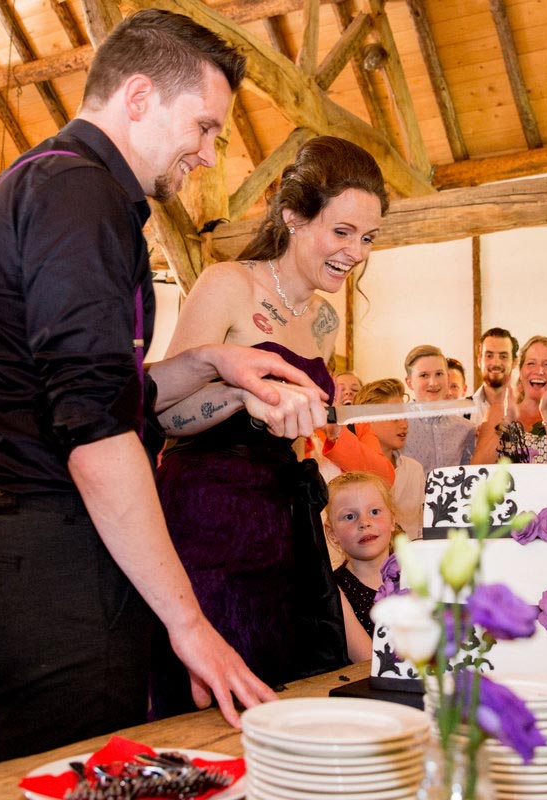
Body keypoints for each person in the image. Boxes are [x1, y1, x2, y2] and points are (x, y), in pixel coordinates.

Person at [0, 10, 321, 766]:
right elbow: (93, 434)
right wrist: (190, 623)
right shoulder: (81, 197)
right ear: (139, 96)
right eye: (205, 127)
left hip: (10, 552)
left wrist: (212, 361)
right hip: (49, 567)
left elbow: (83, 389)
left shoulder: (39, 181)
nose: (209, 155)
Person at [150, 134, 388, 716]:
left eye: (368, 238)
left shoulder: (327, 319)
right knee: (220, 694)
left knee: (294, 688)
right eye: (342, 232)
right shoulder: (228, 285)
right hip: (211, 516)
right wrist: (240, 393)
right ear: (292, 217)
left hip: (288, 519)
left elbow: (295, 423)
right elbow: (162, 412)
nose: (355, 252)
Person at [473, 336, 547, 466]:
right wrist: (506, 422)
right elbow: (477, 469)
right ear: (521, 371)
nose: (539, 371)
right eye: (531, 363)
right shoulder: (498, 411)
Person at [325, 472, 398, 663]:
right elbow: (369, 664)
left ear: (392, 520)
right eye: (350, 516)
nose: (364, 523)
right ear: (332, 533)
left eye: (374, 512)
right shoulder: (335, 591)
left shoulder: (418, 574)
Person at [350, 379, 425, 539]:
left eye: (405, 417)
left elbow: (420, 529)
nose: (404, 424)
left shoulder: (414, 469)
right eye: (395, 417)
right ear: (366, 421)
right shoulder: (346, 471)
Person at [402, 345, 475, 471]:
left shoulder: (466, 429)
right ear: (409, 382)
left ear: (447, 377)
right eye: (424, 375)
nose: (433, 383)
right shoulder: (398, 426)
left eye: (439, 374)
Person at [471, 327, 518, 421]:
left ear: (514, 362)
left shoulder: (525, 408)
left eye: (503, 356)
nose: (496, 363)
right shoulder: (462, 412)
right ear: (479, 360)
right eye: (489, 356)